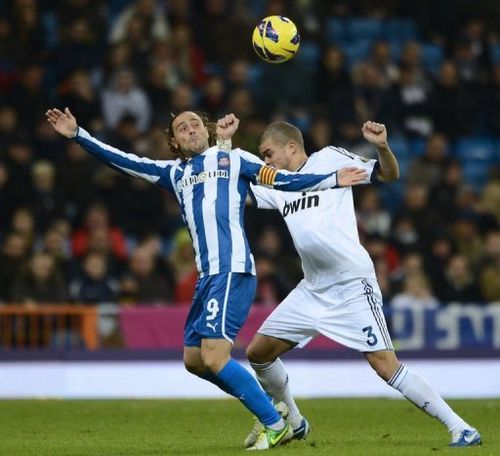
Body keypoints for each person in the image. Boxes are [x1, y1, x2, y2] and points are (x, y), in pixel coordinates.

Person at [45, 107, 368, 450]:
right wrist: (79, 135)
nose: (190, 129)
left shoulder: (233, 160)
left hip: (231, 271)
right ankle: (275, 413)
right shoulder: (173, 173)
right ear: (175, 141)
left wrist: (330, 179)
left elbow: (283, 180)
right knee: (195, 360)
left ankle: (274, 423)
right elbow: (124, 160)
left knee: (215, 356)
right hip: (206, 278)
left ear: (207, 131)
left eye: (195, 124)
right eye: (182, 128)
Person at [222, 120, 481, 448]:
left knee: (385, 366)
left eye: (268, 153)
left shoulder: (330, 159)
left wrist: (382, 148)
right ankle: (296, 421)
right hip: (313, 288)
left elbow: (388, 175)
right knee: (259, 352)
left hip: (352, 284)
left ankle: (460, 427)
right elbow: (233, 192)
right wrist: (225, 147)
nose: (266, 160)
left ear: (291, 146)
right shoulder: (279, 183)